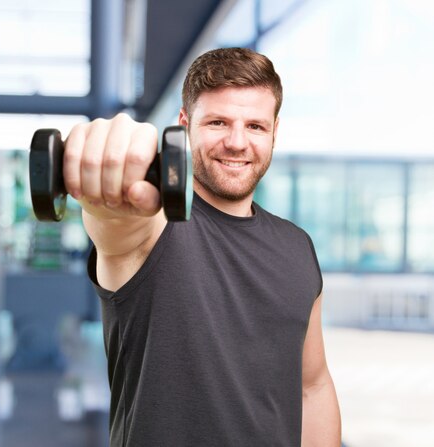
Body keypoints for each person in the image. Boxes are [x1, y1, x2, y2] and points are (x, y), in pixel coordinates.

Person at [63, 47, 341, 446]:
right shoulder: (155, 226)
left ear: (275, 132)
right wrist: (107, 196)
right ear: (184, 124)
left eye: (256, 127)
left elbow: (312, 386)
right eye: (217, 122)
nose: (237, 142)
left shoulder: (297, 246)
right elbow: (116, 224)